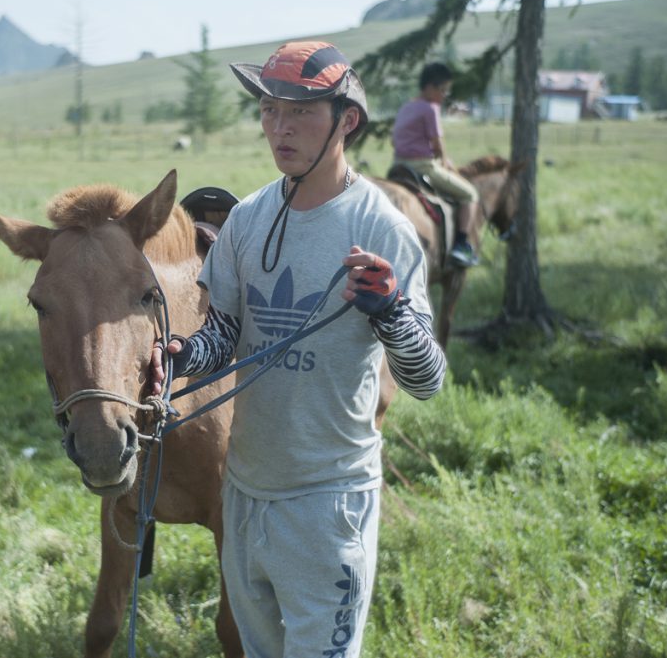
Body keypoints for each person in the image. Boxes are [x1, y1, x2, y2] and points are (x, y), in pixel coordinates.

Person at [151, 41, 447, 658]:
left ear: (348, 121)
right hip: (245, 493)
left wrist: (391, 312)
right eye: (269, 110)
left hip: (328, 500)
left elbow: (427, 379)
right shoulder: (248, 218)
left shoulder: (380, 227)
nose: (279, 128)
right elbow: (224, 334)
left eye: (300, 113)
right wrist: (179, 358)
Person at [391, 62, 480, 267]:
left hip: (398, 165)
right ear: (430, 87)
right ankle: (460, 246)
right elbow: (437, 143)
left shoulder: (406, 107)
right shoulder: (430, 108)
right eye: (443, 90)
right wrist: (445, 161)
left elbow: (394, 140)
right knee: (470, 194)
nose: (444, 95)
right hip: (422, 166)